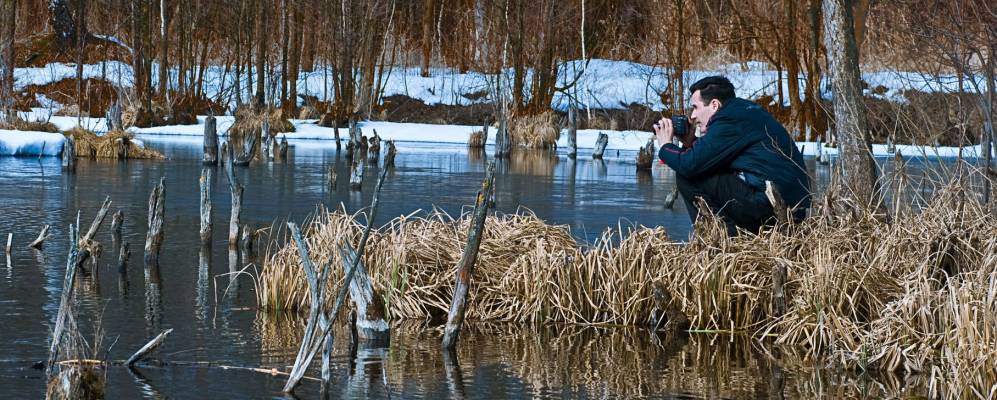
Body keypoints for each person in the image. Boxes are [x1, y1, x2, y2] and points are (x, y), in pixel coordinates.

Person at [653, 76, 811, 235]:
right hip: (790, 209)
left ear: (714, 105)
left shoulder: (728, 119)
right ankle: (729, 235)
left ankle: (719, 240)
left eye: (695, 107)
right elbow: (715, 158)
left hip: (774, 210)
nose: (692, 116)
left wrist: (666, 145)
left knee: (687, 175)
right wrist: (691, 142)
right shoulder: (743, 111)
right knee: (703, 169)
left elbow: (688, 164)